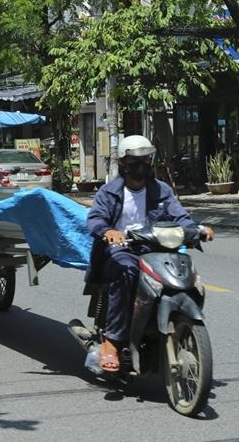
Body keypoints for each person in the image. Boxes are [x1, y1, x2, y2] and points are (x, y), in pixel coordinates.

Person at [86, 135, 214, 372]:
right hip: (123, 249)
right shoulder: (109, 192)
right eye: (136, 160)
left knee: (185, 274)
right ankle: (112, 341)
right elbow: (95, 219)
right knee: (127, 271)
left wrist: (197, 230)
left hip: (155, 248)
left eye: (146, 159)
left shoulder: (161, 189)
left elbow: (180, 216)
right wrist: (109, 231)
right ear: (123, 162)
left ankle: (176, 323)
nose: (142, 164)